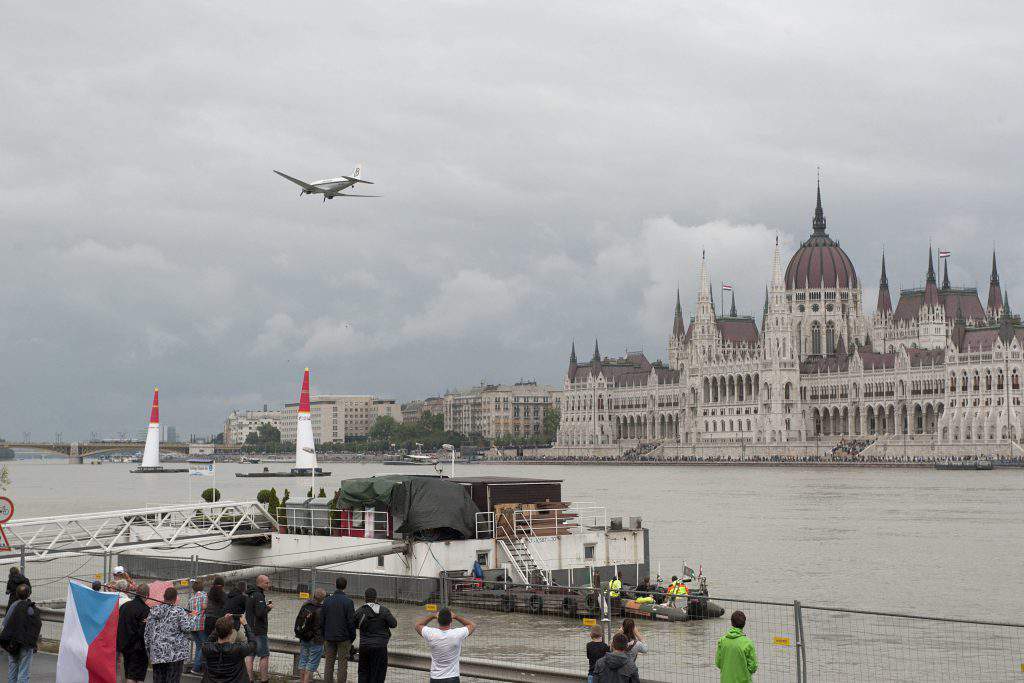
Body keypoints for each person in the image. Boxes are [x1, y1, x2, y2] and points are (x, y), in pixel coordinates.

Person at [145, 585, 196, 683]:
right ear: (176, 598)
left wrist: (149, 650)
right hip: (175, 654)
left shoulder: (154, 611)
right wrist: (193, 617)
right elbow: (187, 628)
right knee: (173, 679)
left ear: (164, 597)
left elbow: (147, 633)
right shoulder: (179, 611)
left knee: (158, 680)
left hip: (158, 653)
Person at [415, 608, 475, 683]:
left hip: (435, 678)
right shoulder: (457, 634)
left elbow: (418, 625)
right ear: (451, 620)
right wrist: (456, 616)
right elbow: (472, 625)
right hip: (452, 678)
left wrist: (433, 616)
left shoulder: (431, 633)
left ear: (437, 620)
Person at [354, 587, 397, 683]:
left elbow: (352, 624)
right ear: (376, 598)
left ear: (365, 598)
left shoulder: (360, 611)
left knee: (363, 673)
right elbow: (394, 624)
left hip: (364, 646)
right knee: (379, 674)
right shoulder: (384, 610)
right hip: (380, 647)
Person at [0, 583, 41, 683]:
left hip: (13, 643)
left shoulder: (13, 606)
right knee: (23, 672)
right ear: (29, 594)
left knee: (12, 670)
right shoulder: (31, 608)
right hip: (26, 644)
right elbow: (35, 626)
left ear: (17, 594)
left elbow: (5, 624)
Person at [201, 614, 256, 683]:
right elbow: (253, 643)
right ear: (231, 632)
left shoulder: (207, 648)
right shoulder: (238, 649)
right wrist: (245, 625)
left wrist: (219, 626)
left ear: (217, 631)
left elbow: (208, 641)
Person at [322, 576, 356, 683]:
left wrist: (324, 635)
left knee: (328, 664)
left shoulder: (327, 600)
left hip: (329, 637)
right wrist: (352, 637)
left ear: (335, 585)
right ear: (345, 586)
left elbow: (322, 619)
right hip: (344, 638)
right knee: (342, 665)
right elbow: (351, 622)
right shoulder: (349, 602)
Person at [118, 582, 151, 683]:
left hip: (125, 646)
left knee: (129, 673)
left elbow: (120, 625)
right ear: (147, 595)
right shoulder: (145, 609)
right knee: (137, 676)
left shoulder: (124, 606)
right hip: (138, 648)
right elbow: (144, 632)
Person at [244, 575, 273, 683]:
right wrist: (268, 607)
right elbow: (260, 613)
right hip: (259, 631)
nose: (269, 585)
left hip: (250, 629)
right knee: (264, 655)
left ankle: (249, 679)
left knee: (250, 655)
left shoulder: (250, 594)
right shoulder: (259, 595)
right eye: (266, 583)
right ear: (260, 583)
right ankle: (264, 679)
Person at [715, 610, 758, 683]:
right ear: (744, 624)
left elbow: (718, 663)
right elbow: (753, 667)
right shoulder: (748, 643)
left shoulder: (722, 641)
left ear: (731, 622)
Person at [295, 588, 326, 683]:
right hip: (316, 640)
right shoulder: (322, 609)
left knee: (303, 661)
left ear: (314, 595)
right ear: (323, 598)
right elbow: (322, 626)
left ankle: (302, 681)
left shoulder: (305, 605)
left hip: (304, 637)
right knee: (311, 664)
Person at [187, 578, 209, 674]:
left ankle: (195, 668)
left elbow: (188, 612)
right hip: (201, 624)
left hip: (192, 625)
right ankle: (196, 667)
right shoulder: (205, 596)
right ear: (202, 587)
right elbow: (208, 608)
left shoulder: (191, 599)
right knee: (205, 645)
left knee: (199, 646)